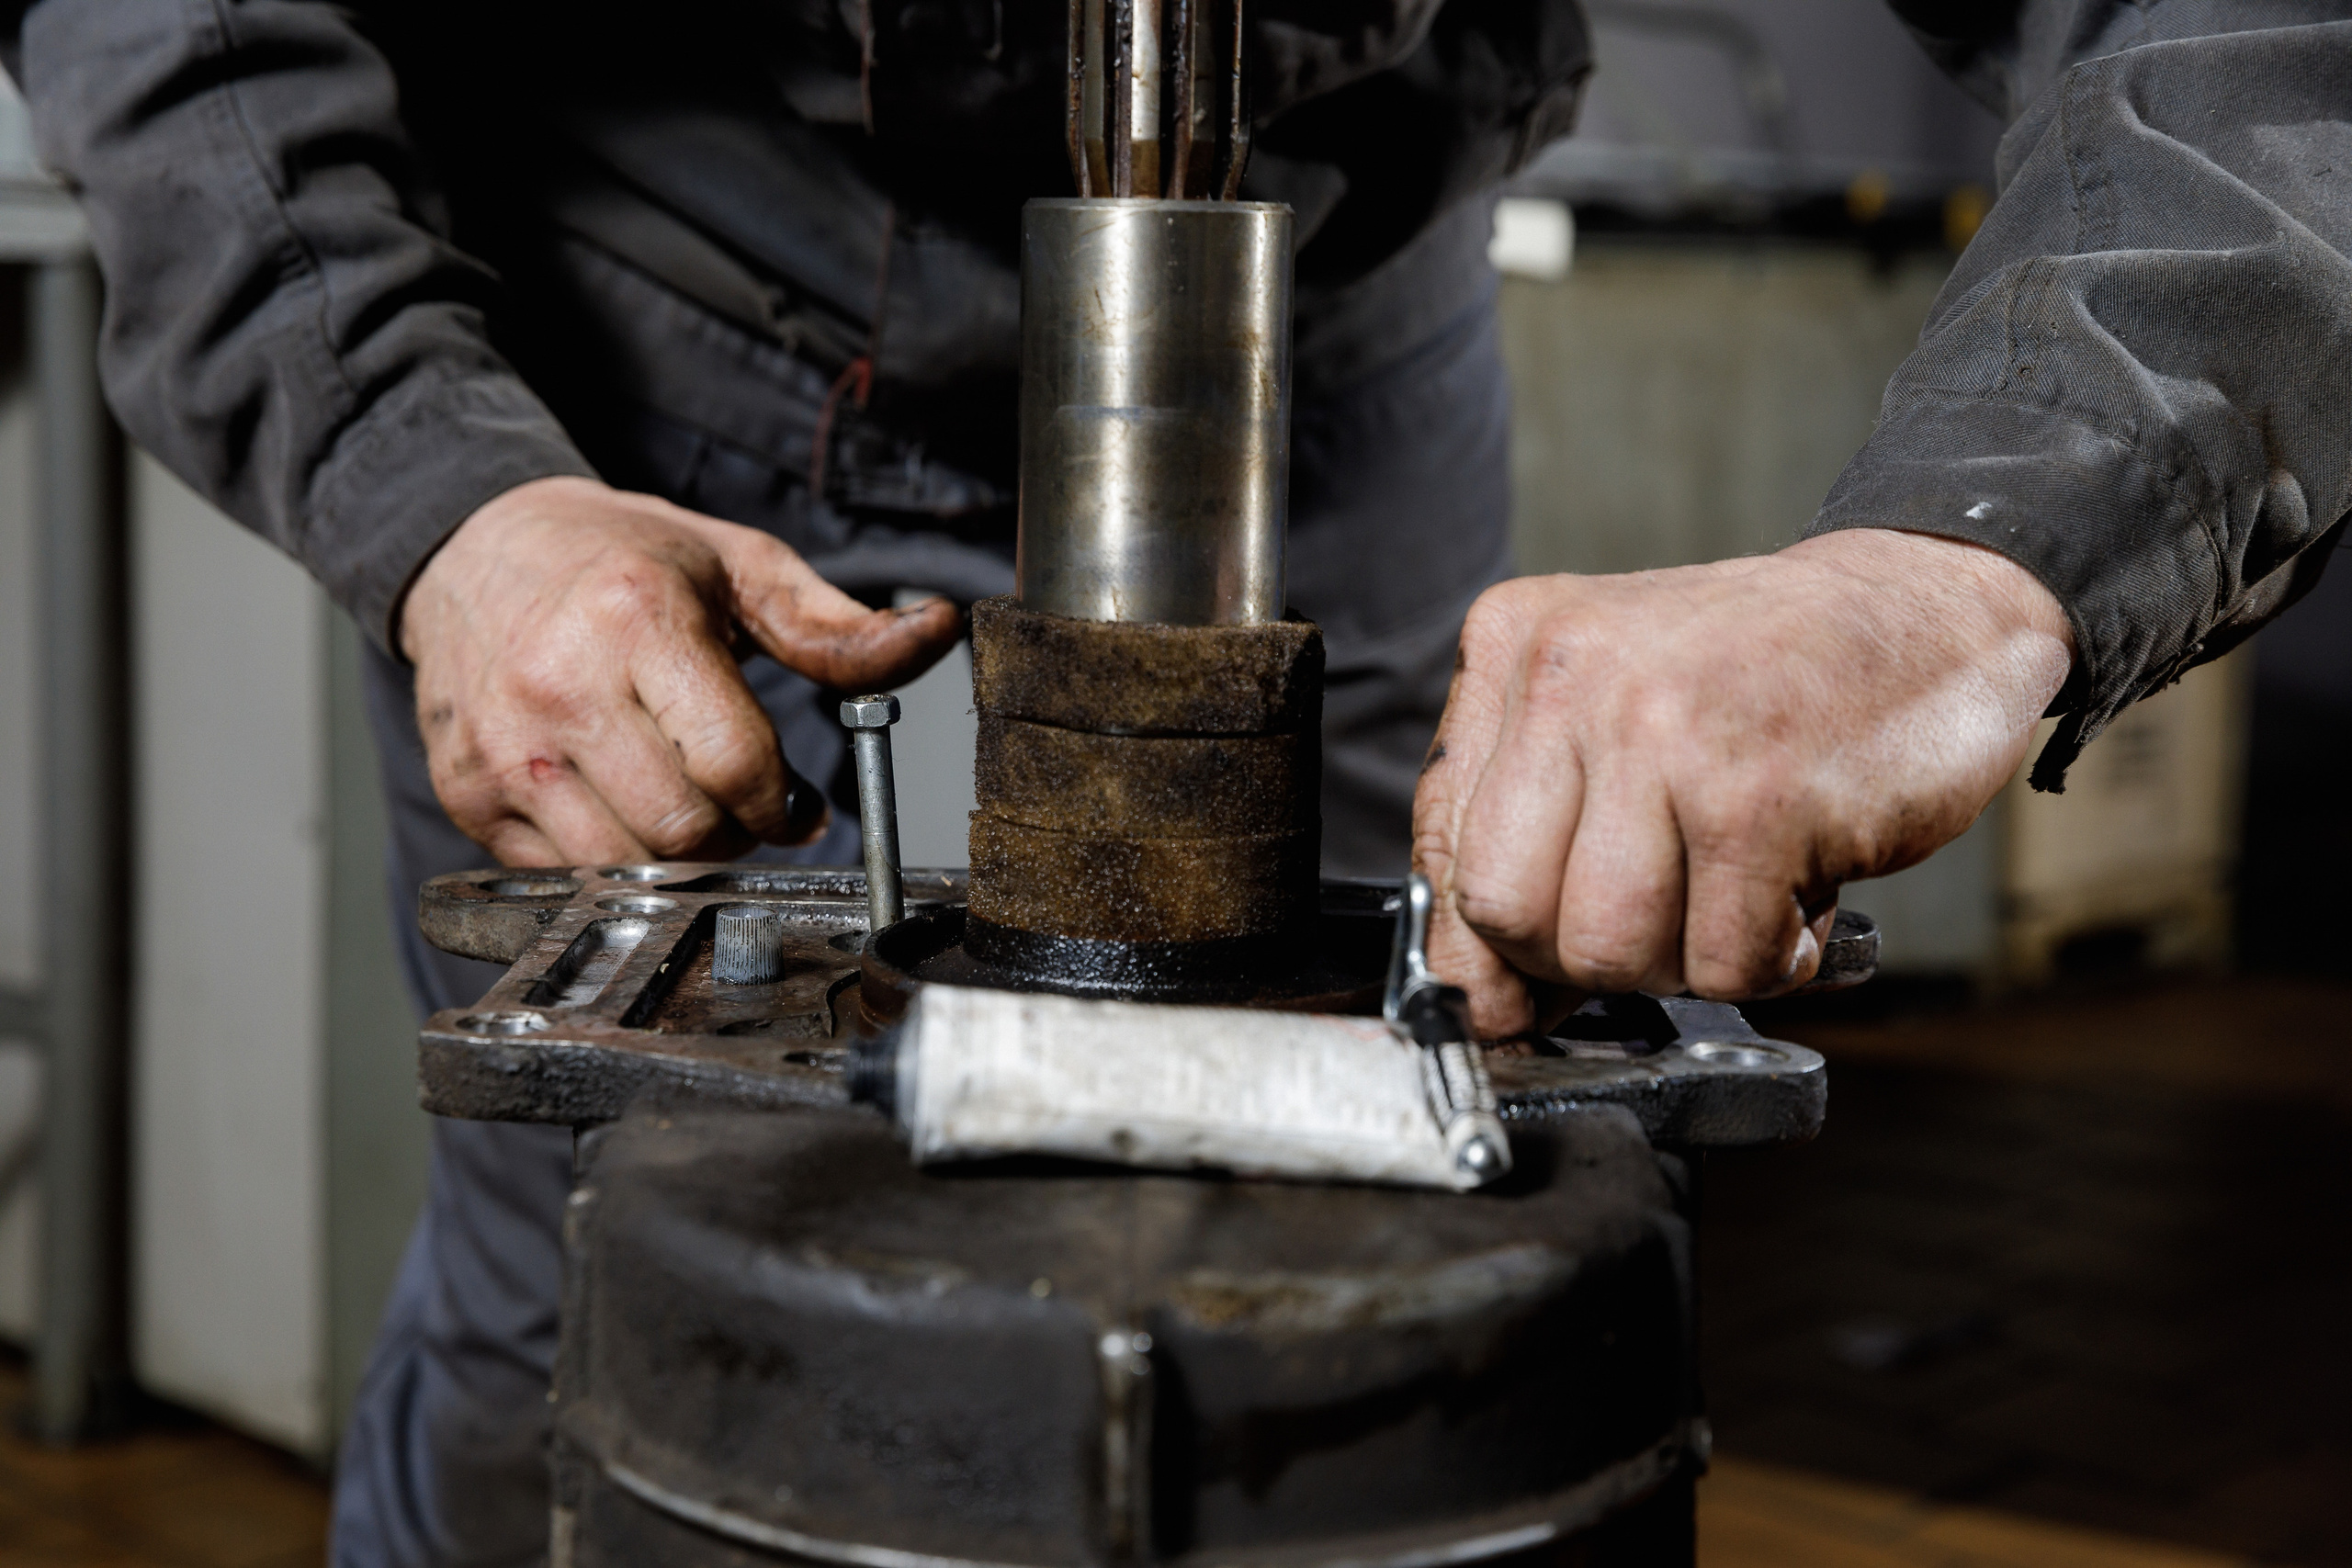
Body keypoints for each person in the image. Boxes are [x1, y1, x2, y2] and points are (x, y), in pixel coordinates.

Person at [8, 0, 2349, 1561]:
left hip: (1352, 328)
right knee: (602, 1300)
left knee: (1434, 1296)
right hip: (649, 363)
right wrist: (432, 487)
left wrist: (1967, 552)